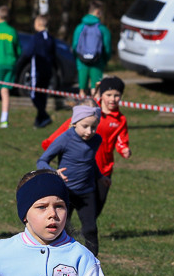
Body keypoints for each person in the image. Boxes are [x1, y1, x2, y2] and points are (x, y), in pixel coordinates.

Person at [42, 75, 131, 219]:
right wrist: (50, 144)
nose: (113, 99)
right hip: (82, 170)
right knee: (68, 211)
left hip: (104, 169)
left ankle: (86, 231)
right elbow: (67, 128)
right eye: (109, 95)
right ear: (101, 95)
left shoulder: (120, 120)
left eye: (117, 95)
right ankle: (69, 234)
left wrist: (124, 148)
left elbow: (121, 139)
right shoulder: (88, 114)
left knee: (95, 210)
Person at [37, 104, 103, 256]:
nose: (89, 131)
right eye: (85, 126)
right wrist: (55, 173)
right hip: (66, 192)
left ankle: (92, 261)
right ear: (74, 123)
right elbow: (42, 161)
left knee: (90, 228)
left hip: (87, 192)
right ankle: (56, 255)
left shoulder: (96, 139)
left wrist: (100, 176)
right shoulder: (65, 139)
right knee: (61, 228)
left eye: (93, 127)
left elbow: (89, 161)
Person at [21, 14, 56, 129]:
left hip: (38, 72)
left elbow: (28, 53)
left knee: (34, 95)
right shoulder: (50, 38)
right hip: (48, 71)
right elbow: (54, 55)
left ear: (39, 24)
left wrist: (19, 63)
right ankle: (39, 120)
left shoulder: (36, 38)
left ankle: (44, 116)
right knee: (43, 95)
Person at [72, 0, 111, 98]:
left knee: (82, 90)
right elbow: (107, 49)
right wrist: (105, 60)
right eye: (101, 12)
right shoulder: (103, 29)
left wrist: (77, 59)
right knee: (96, 90)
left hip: (81, 62)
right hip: (97, 63)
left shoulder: (79, 28)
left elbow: (74, 46)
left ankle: (83, 112)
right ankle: (96, 112)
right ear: (98, 12)